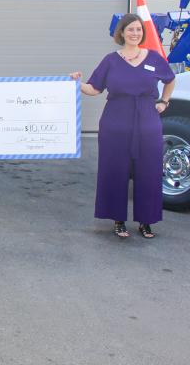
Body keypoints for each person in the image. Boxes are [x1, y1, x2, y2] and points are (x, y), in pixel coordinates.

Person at [71, 13, 175, 239]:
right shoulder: (111, 60)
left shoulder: (154, 58)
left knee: (148, 171)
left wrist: (164, 102)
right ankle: (118, 220)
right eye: (130, 30)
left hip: (147, 122)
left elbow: (170, 79)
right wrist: (77, 83)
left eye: (138, 29)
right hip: (115, 123)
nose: (135, 33)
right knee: (115, 171)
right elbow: (95, 88)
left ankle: (146, 221)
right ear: (122, 33)